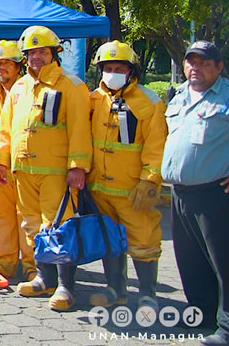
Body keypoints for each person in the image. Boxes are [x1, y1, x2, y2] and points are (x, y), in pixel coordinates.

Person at [161, 40, 229, 346]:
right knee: (190, 260)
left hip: (218, 192)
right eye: (191, 62)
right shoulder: (179, 95)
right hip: (181, 193)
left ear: (219, 67)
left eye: (205, 63)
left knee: (226, 262)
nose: (196, 68)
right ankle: (202, 314)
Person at [0, 25, 91, 311]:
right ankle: (43, 278)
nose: (36, 57)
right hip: (23, 169)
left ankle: (65, 286)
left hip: (56, 171)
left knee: (60, 226)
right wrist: (1, 160)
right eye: (31, 53)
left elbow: (80, 129)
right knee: (31, 225)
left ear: (54, 54)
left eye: (42, 52)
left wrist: (77, 167)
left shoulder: (71, 86)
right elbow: (5, 128)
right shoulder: (19, 87)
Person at [85, 41, 166, 311]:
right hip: (99, 189)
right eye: (108, 68)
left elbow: (156, 146)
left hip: (133, 191)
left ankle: (148, 294)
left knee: (144, 240)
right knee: (110, 240)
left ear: (132, 71)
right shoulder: (93, 100)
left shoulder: (149, 102)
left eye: (119, 68)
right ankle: (115, 289)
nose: (113, 73)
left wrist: (150, 181)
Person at [0, 41, 32, 279]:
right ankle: (3, 262)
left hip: (26, 167)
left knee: (28, 218)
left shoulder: (29, 91)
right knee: (1, 217)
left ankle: (33, 266)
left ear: (19, 66)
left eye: (7, 63)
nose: (1, 68)